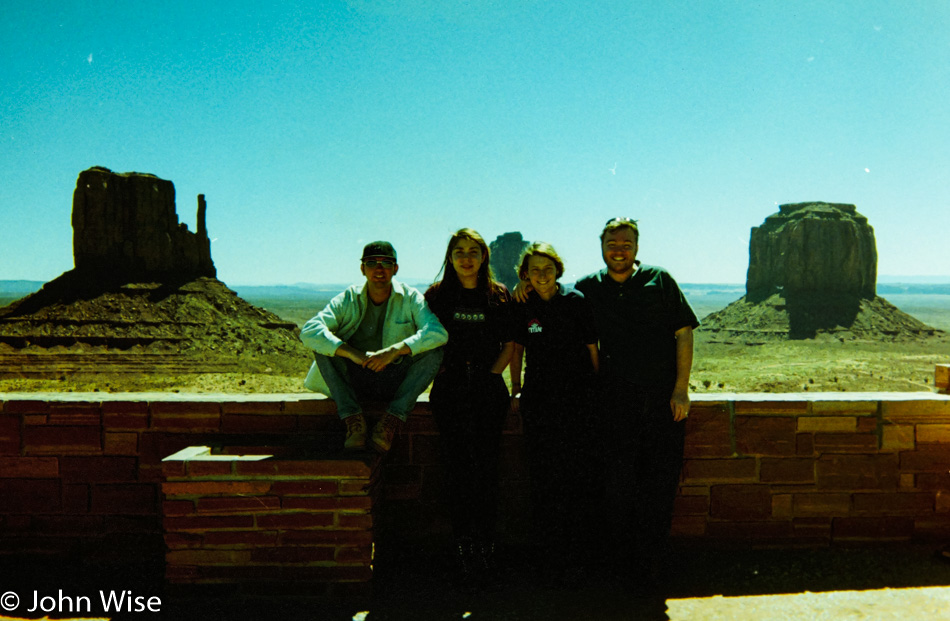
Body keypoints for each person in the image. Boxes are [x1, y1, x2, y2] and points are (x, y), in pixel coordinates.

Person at [514, 218, 697, 596]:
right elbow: (555, 299)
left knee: (658, 485)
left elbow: (684, 332)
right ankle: (618, 568)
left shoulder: (659, 280)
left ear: (636, 247)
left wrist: (681, 388)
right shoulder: (587, 289)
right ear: (602, 246)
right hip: (612, 403)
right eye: (612, 243)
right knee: (615, 486)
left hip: (660, 402)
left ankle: (649, 568)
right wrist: (524, 287)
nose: (619, 250)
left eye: (626, 243)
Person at [424, 228, 517, 589]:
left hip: (487, 390)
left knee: (487, 467)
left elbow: (509, 344)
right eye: (459, 251)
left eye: (473, 251)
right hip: (449, 391)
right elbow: (424, 341)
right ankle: (463, 547)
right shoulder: (436, 296)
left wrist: (487, 377)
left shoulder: (498, 295)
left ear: (484, 257)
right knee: (457, 467)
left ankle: (486, 547)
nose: (466, 257)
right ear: (450, 257)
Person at [300, 241, 447, 453]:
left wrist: (394, 351)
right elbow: (310, 331)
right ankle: (353, 420)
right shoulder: (349, 298)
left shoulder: (410, 297)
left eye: (386, 263)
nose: (379, 269)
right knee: (324, 348)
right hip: (355, 379)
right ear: (362, 269)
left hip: (394, 378)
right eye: (371, 263)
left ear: (395, 269)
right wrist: (352, 353)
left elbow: (438, 333)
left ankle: (391, 421)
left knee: (434, 352)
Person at [509, 242, 599, 586]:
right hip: (539, 401)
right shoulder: (523, 304)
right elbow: (517, 347)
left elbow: (592, 347)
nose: (542, 275)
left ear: (557, 270)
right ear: (526, 274)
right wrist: (515, 387)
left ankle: (578, 557)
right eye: (535, 269)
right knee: (543, 475)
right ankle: (548, 558)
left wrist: (595, 385)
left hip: (577, 401)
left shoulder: (574, 302)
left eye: (548, 268)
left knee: (576, 474)